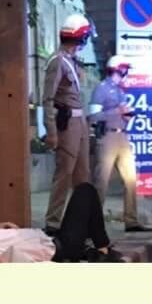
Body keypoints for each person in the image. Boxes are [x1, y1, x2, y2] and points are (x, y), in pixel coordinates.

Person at [42, 14, 94, 233]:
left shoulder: (72, 62)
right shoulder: (57, 62)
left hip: (79, 124)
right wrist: (51, 131)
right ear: (80, 37)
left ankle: (83, 223)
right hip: (67, 126)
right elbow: (47, 99)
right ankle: (53, 223)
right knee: (64, 174)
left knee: (83, 177)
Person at [90, 56, 152, 234]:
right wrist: (115, 111)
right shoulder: (101, 89)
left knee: (131, 180)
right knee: (101, 182)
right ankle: (94, 224)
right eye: (124, 69)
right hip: (108, 137)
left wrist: (126, 115)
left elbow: (121, 111)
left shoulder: (120, 91)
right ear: (116, 69)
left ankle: (131, 221)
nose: (126, 72)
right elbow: (93, 117)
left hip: (123, 136)